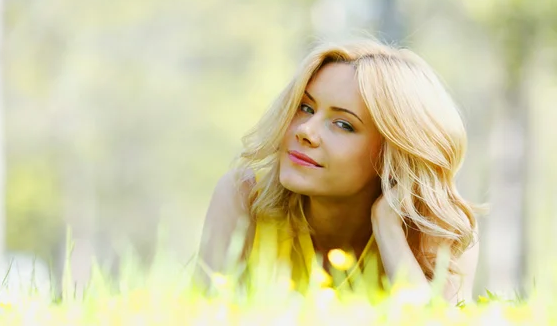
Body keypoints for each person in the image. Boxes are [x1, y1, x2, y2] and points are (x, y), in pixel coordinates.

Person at [194, 39, 483, 305]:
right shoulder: (244, 198)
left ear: (393, 155)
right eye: (305, 108)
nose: (306, 131)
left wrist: (389, 230)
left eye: (343, 124)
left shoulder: (444, 228)